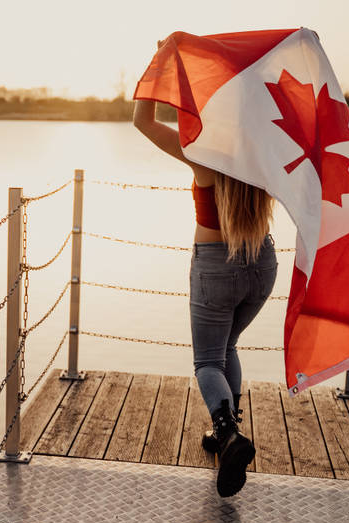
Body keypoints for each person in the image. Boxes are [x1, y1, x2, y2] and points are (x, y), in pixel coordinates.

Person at [132, 98, 277, 497]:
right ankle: (225, 428)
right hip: (262, 263)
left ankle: (229, 434)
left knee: (208, 361)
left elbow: (141, 119)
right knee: (228, 345)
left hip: (216, 267)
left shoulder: (202, 155)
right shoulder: (263, 152)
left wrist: (161, 69)